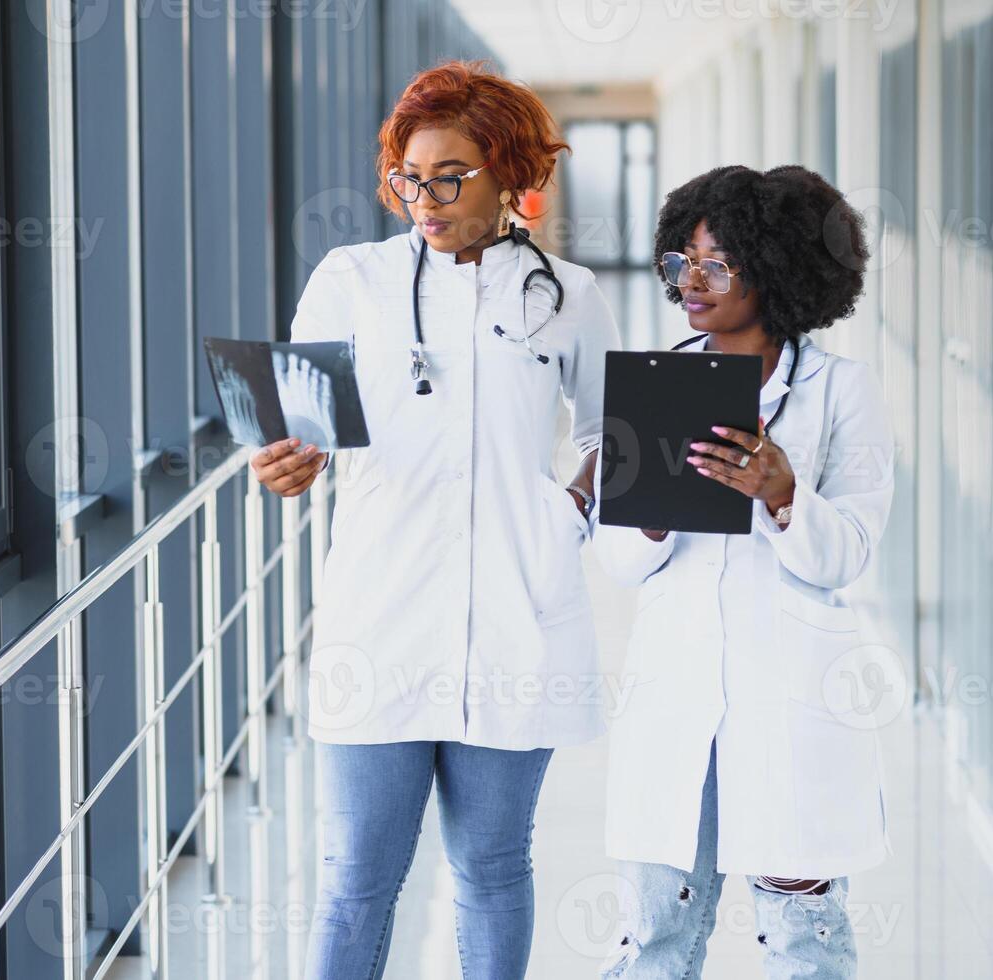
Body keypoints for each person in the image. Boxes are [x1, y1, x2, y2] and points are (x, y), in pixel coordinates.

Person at [249, 60, 621, 979]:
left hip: (515, 618)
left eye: (450, 175)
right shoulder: (354, 278)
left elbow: (619, 433)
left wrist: (568, 510)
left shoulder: (567, 295)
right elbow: (299, 426)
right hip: (380, 617)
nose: (425, 196)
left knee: (493, 870)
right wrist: (289, 463)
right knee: (356, 880)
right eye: (410, 177)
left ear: (507, 174)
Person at [591, 165, 896, 979]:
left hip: (792, 695)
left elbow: (850, 553)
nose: (691, 282)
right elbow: (618, 562)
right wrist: (651, 514)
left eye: (717, 264)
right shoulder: (653, 383)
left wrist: (785, 492)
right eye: (680, 262)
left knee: (803, 937)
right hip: (675, 690)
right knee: (654, 937)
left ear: (780, 270)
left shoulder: (843, 392)